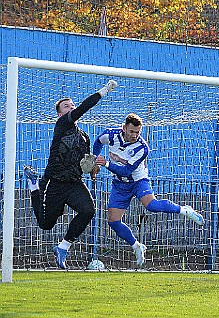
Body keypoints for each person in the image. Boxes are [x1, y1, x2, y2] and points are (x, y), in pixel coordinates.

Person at [23, 79, 118, 269]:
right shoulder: (62, 125)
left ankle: (63, 247)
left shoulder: (84, 136)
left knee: (88, 210)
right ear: (60, 113)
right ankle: (34, 186)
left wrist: (92, 167)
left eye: (72, 105)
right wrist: (104, 91)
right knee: (46, 224)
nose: (71, 107)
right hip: (54, 182)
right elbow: (83, 108)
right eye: (67, 106)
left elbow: (86, 162)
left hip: (74, 183)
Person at [92, 112, 204, 267]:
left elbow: (126, 171)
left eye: (137, 132)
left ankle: (184, 210)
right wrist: (94, 160)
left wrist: (105, 164)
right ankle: (137, 246)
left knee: (152, 206)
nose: (134, 135)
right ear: (124, 128)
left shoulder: (142, 148)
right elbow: (97, 142)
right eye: (131, 132)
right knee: (113, 221)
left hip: (138, 181)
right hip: (120, 184)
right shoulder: (110, 135)